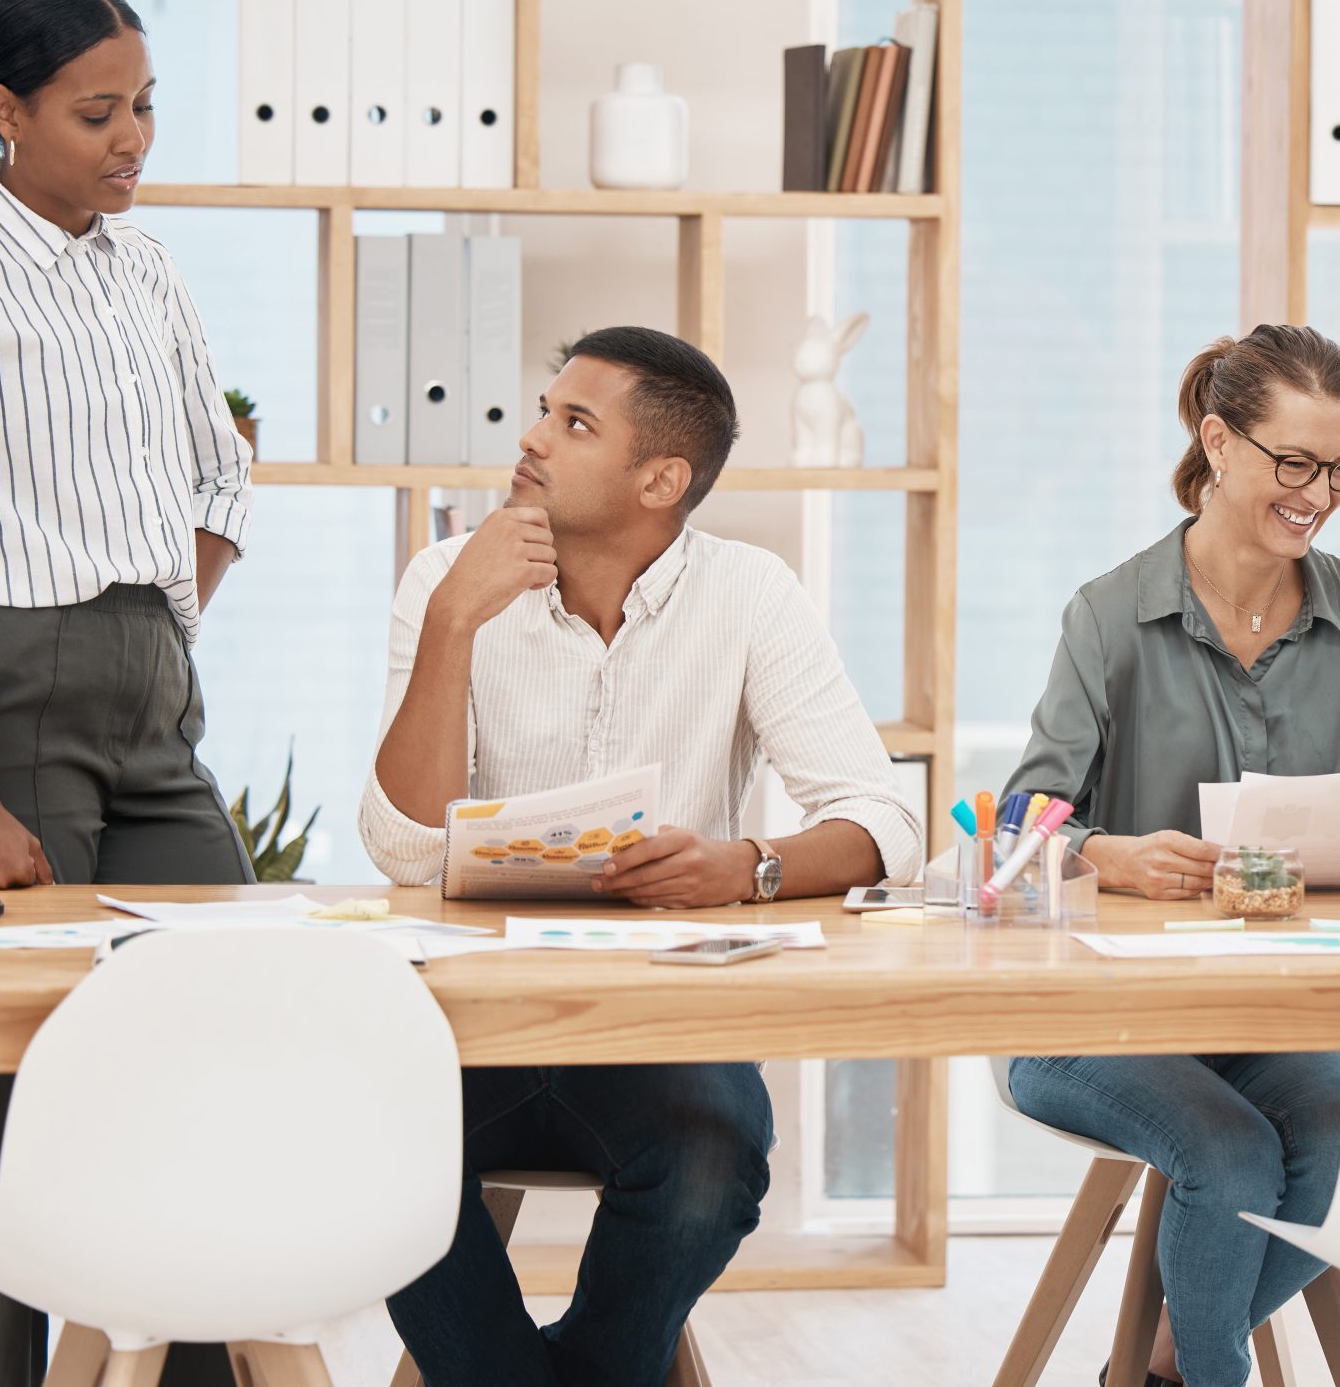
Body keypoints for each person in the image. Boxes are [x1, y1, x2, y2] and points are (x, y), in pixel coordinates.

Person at [360, 326, 920, 1386]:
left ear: (661, 478)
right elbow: (402, 845)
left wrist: (743, 863)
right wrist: (452, 621)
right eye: (543, 407)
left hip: (658, 1030)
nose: (529, 439)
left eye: (573, 423)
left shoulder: (751, 594)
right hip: (467, 1025)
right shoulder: (447, 576)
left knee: (714, 1158)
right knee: (366, 1146)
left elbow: (883, 821)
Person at [0, 0, 255, 1387]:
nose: (134, 138)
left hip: (145, 693)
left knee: (225, 1037)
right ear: (7, 111)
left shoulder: (140, 262)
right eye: (98, 113)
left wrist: (155, 626)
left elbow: (222, 465)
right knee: (4, 1116)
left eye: (145, 105)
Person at [1003, 325, 1340, 1387]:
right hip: (1095, 1020)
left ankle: (1161, 1369)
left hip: (1280, 1014)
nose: (1320, 491)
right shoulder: (1110, 614)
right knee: (1229, 1151)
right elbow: (1020, 823)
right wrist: (1103, 853)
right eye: (1294, 461)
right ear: (1217, 440)